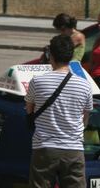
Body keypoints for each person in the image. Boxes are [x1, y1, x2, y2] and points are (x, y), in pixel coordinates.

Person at [25, 35, 93, 188]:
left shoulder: (37, 81)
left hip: (44, 148)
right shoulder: (85, 85)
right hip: (73, 150)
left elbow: (29, 110)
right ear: (71, 56)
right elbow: (85, 119)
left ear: (51, 56)